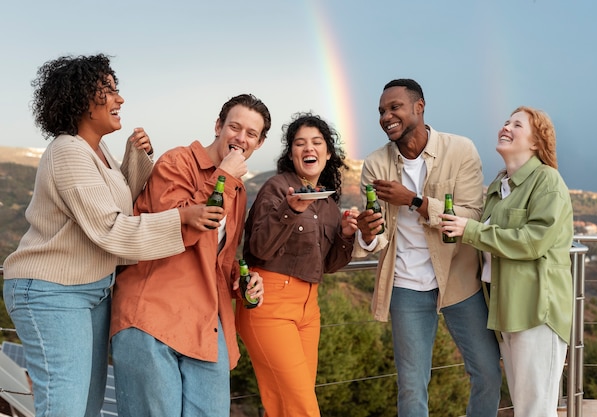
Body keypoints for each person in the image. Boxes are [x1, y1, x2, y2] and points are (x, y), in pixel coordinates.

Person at [1, 54, 214, 417]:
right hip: (52, 293)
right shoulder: (67, 151)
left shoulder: (97, 151)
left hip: (93, 290)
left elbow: (114, 205)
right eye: (109, 91)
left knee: (86, 406)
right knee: (64, 407)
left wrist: (134, 158)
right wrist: (181, 218)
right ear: (84, 100)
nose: (120, 99)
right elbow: (110, 229)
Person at [110, 93, 271, 417]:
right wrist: (223, 176)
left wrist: (244, 283)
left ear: (260, 142)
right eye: (235, 127)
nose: (241, 138)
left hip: (206, 324)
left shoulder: (237, 190)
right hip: (151, 318)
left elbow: (219, 260)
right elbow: (174, 231)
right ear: (218, 126)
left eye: (251, 134)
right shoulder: (178, 162)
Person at [353, 79, 502, 417]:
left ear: (419, 107)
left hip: (460, 282)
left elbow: (472, 215)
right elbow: (377, 238)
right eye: (381, 111)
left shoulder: (460, 150)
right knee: (411, 386)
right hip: (405, 287)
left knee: (488, 373)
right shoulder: (375, 164)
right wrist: (365, 233)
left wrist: (415, 201)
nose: (386, 116)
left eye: (395, 107)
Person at [440, 106, 573, 417]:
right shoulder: (499, 186)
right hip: (506, 314)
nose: (506, 127)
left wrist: (471, 230)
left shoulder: (547, 181)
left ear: (537, 142)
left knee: (536, 410)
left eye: (517, 125)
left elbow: (533, 241)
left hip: (536, 312)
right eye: (505, 122)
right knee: (525, 407)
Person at [236, 112, 357, 417]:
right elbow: (258, 247)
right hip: (270, 304)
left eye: (317, 142)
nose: (309, 148)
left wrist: (345, 235)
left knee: (289, 405)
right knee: (302, 408)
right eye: (300, 143)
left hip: (309, 310)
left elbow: (326, 266)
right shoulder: (278, 188)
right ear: (291, 154)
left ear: (328, 153)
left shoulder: (328, 203)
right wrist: (289, 210)